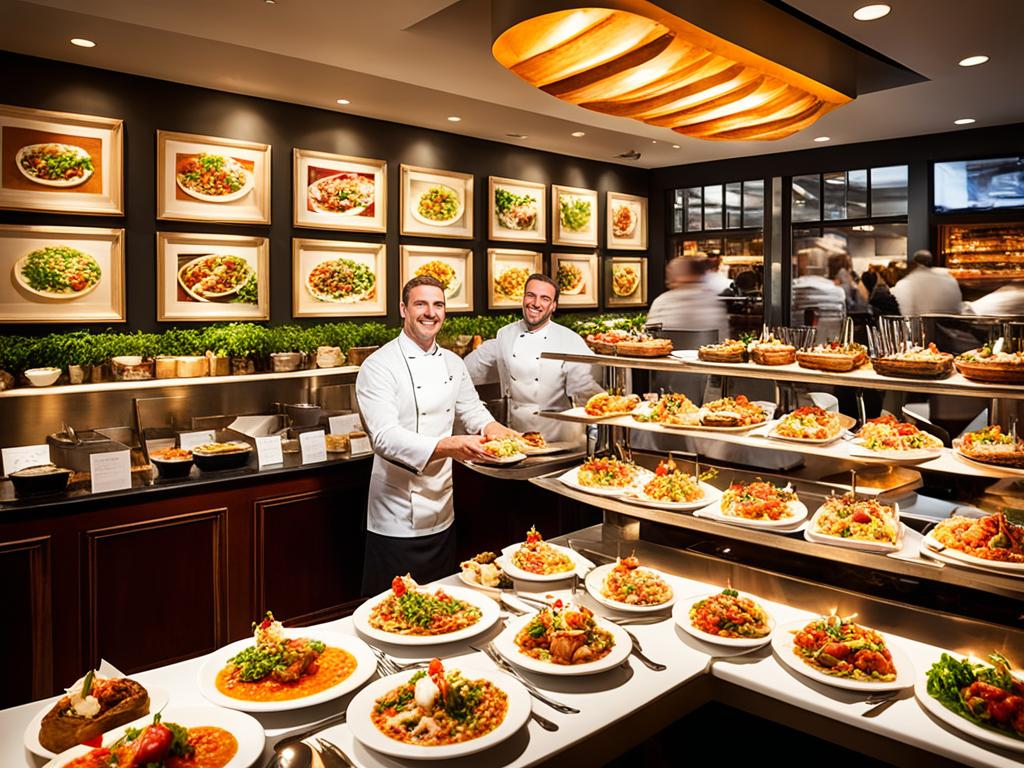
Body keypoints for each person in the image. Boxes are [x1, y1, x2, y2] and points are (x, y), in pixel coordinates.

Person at [355, 275, 516, 594]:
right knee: (394, 612)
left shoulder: (454, 363)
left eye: (438, 305)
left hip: (442, 507)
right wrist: (450, 445)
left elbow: (472, 410)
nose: (430, 312)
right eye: (421, 304)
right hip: (396, 514)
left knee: (441, 604)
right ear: (403, 309)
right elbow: (384, 437)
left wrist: (500, 432)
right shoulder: (379, 366)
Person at [464, 273, 603, 444]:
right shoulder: (505, 334)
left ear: (553, 306)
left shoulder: (569, 339)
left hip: (560, 438)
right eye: (531, 295)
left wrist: (594, 434)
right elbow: (469, 368)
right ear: (523, 298)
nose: (536, 303)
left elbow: (588, 392)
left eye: (545, 299)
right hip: (517, 434)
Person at [646, 256, 729, 340]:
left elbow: (649, 338)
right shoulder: (714, 302)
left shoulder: (662, 302)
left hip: (666, 352)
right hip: (710, 352)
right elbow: (723, 339)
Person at [791, 247, 846, 340]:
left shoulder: (793, 288)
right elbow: (843, 322)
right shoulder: (838, 292)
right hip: (831, 345)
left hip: (796, 343)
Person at [891, 250, 963, 316]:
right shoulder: (950, 279)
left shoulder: (906, 283)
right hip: (952, 328)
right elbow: (958, 309)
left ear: (914, 262)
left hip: (923, 328)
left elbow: (907, 316)